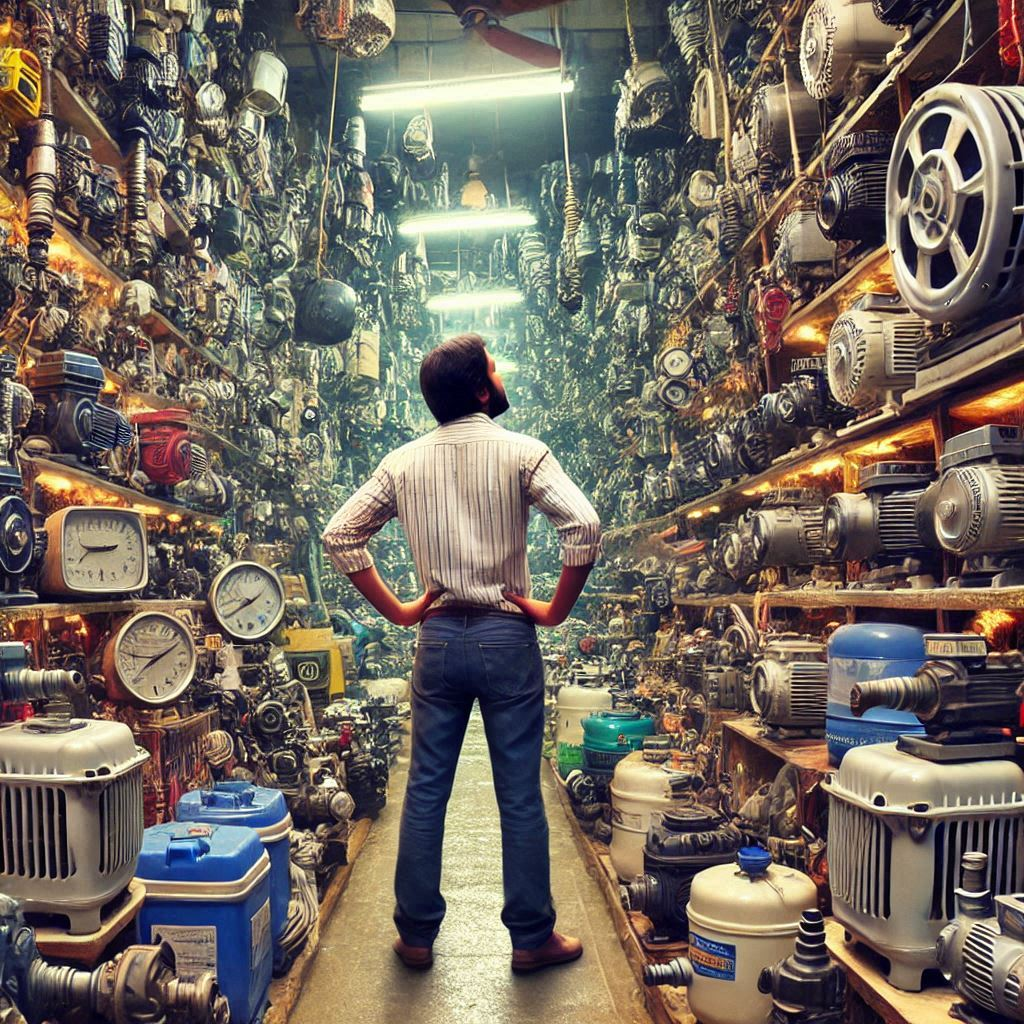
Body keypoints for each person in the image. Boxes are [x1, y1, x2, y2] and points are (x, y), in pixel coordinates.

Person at [322, 332, 601, 974]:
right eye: (495, 372)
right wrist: (554, 611)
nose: (501, 378)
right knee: (520, 794)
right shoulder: (525, 454)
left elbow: (341, 535)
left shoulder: (403, 462)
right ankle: (531, 938)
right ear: (481, 388)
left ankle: (416, 935)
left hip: (439, 637)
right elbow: (583, 525)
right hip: (508, 638)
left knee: (425, 788)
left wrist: (399, 609)